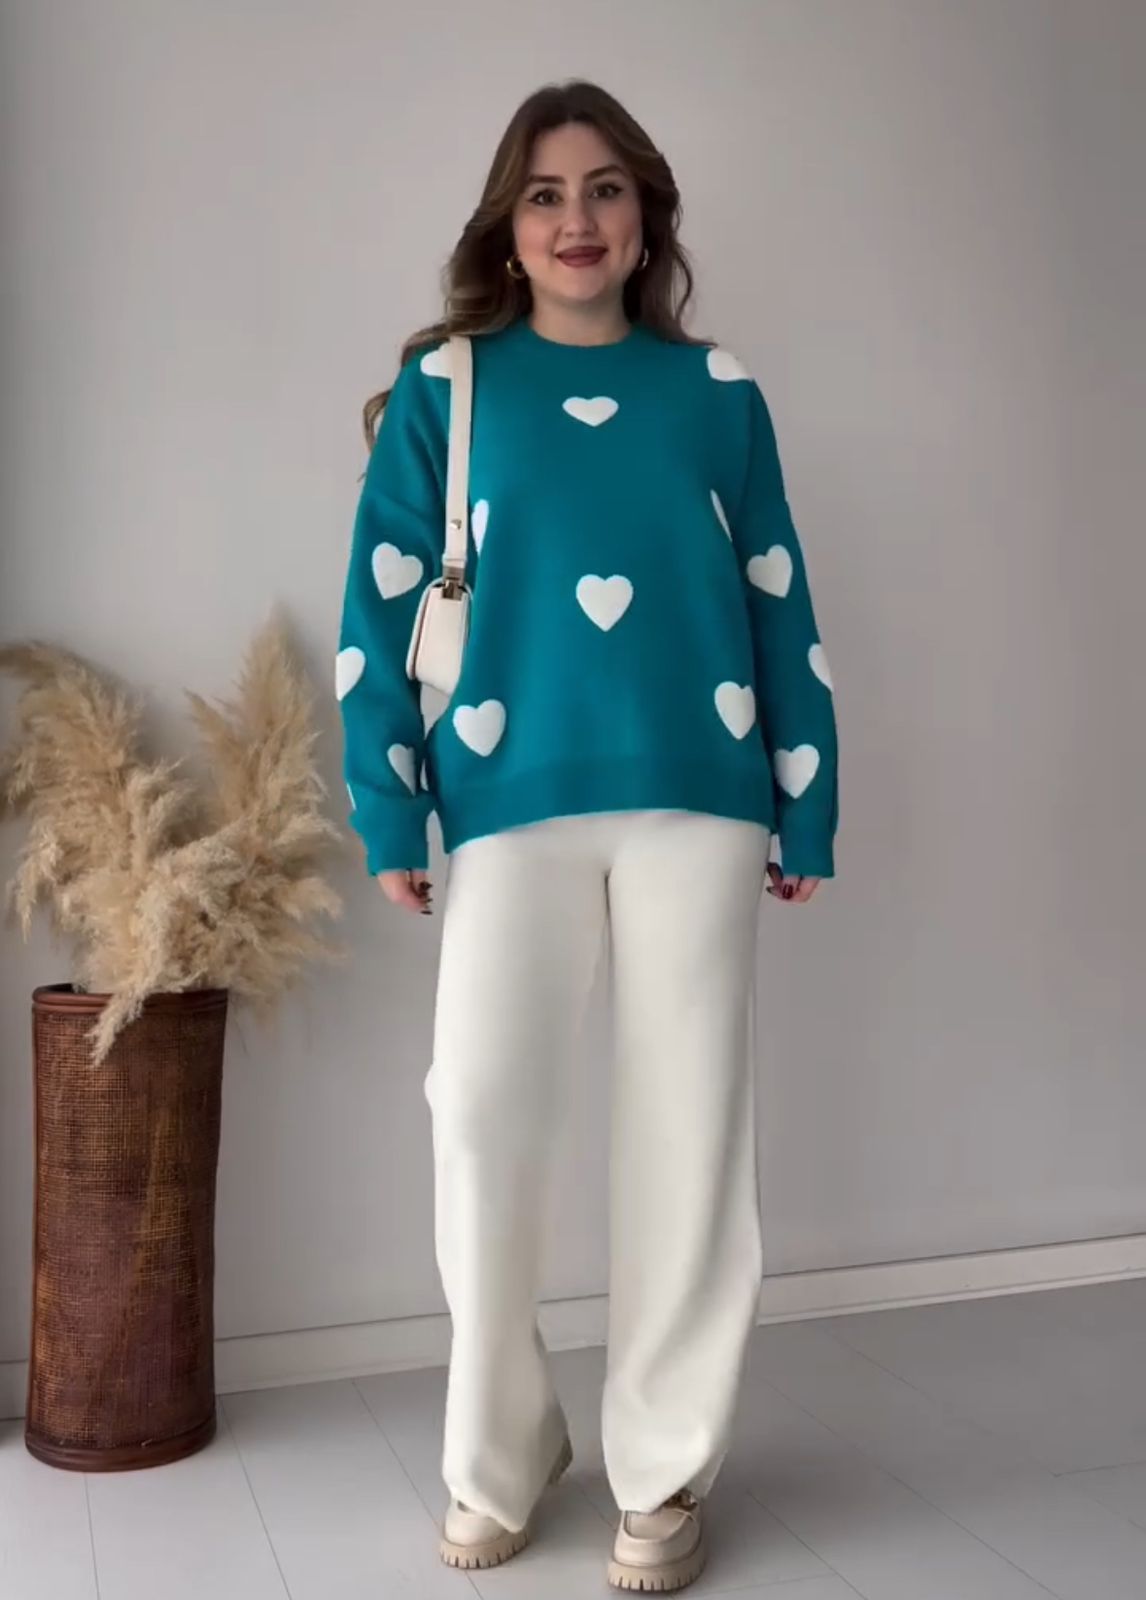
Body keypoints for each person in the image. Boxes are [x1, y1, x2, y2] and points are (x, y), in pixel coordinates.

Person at [336, 78, 839, 1596]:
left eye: (606, 188)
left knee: (689, 1130)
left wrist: (807, 792)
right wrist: (389, 800)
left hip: (702, 792)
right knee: (480, 1115)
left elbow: (777, 595)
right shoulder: (445, 388)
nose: (577, 219)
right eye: (547, 193)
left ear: (646, 215)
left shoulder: (718, 392)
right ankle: (501, 1454)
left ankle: (661, 1469)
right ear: (507, 222)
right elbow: (377, 606)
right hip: (506, 798)